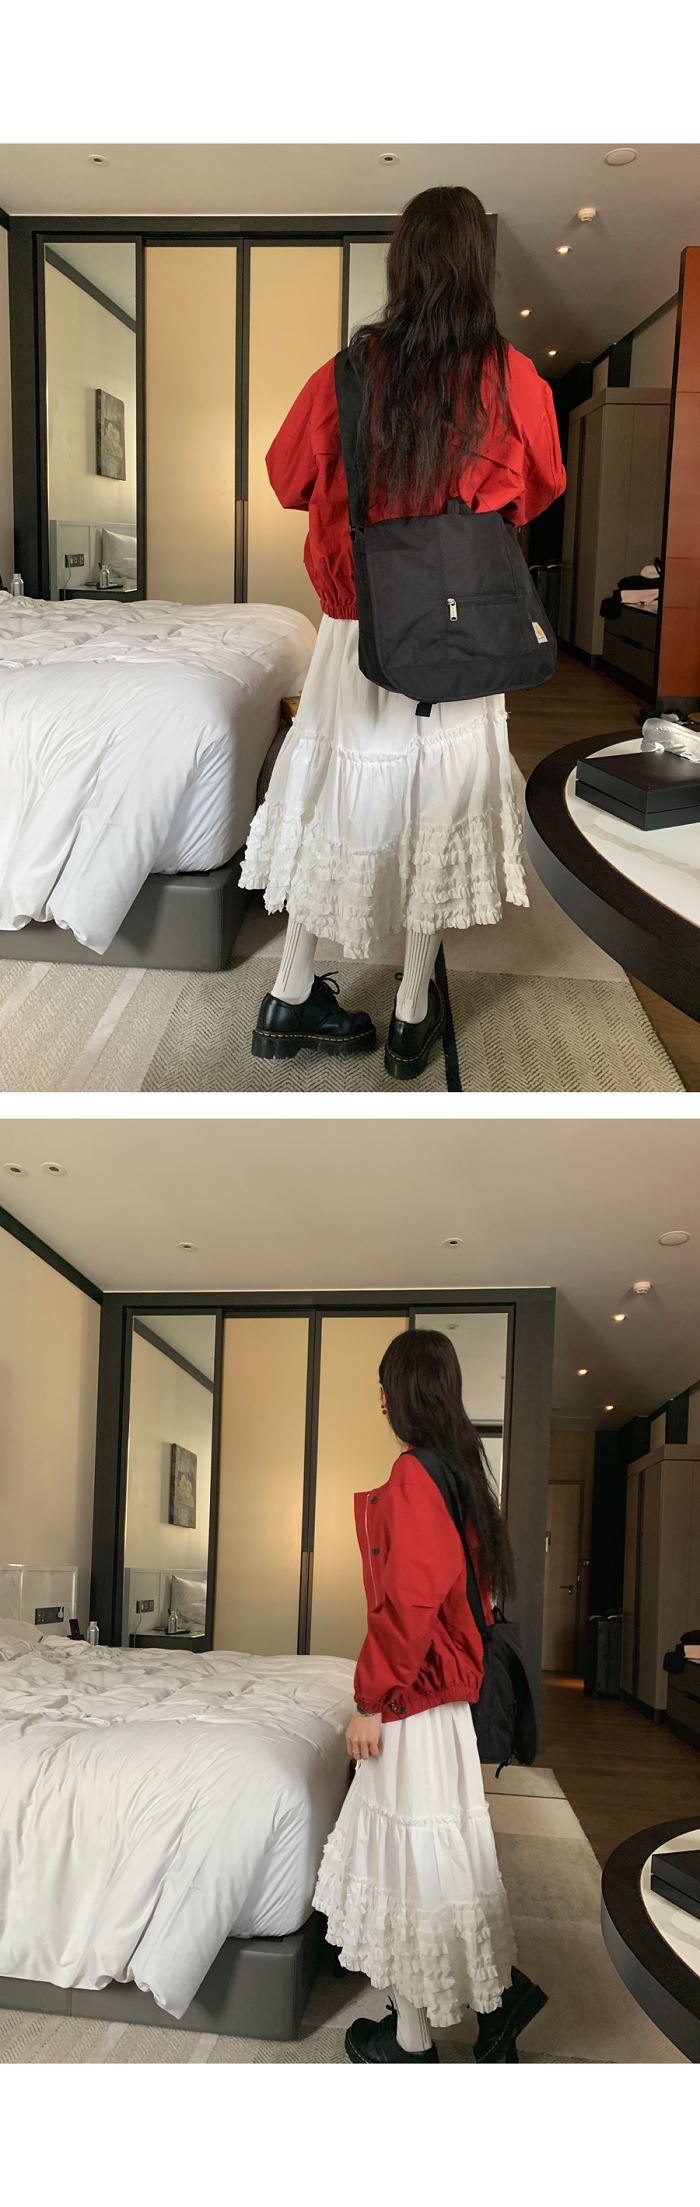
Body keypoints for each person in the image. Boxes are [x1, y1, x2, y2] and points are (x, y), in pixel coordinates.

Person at [242, 184, 566, 1080]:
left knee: (335, 806)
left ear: (401, 267)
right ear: (477, 267)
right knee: (440, 812)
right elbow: (541, 486)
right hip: (465, 631)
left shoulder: (346, 376)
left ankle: (290, 995)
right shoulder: (514, 377)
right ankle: (414, 1014)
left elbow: (285, 477)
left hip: (359, 631)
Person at [313, 1327, 547, 2063]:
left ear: (405, 1393)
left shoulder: (417, 1474)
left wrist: (369, 1700)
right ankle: (495, 2002)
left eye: (384, 1386)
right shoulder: (458, 1470)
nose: (380, 1400)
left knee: (407, 1869)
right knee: (433, 1866)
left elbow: (409, 1608)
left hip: (413, 1702)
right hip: (439, 1704)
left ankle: (415, 2042)